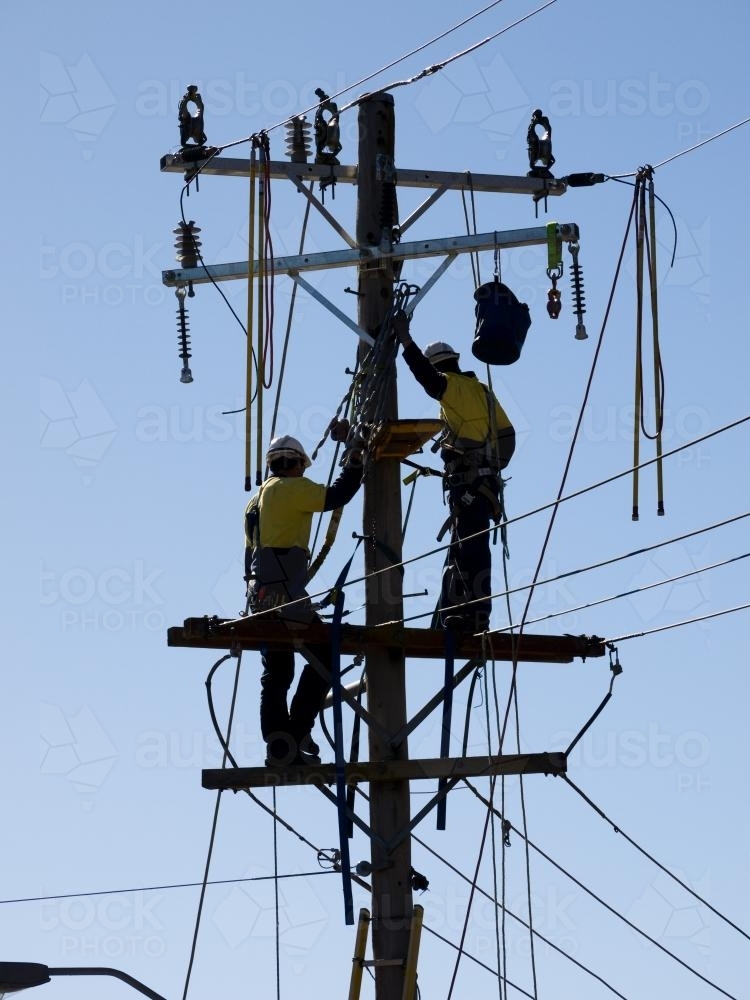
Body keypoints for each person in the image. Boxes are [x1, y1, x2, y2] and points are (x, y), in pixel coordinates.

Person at [244, 432, 365, 767]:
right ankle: (296, 733)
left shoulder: (257, 500)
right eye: (301, 465)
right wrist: (356, 461)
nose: (302, 471)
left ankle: (280, 748)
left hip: (260, 594)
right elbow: (337, 495)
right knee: (326, 655)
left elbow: (250, 552)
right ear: (294, 464)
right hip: (284, 593)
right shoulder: (290, 488)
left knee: (277, 672)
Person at [394, 312, 515, 632]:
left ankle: (470, 616)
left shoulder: (452, 387)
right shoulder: (482, 391)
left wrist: (406, 341)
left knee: (468, 549)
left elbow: (428, 380)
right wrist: (488, 464)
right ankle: (454, 615)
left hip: (469, 484)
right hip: (485, 485)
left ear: (439, 365)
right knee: (464, 548)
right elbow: (509, 437)